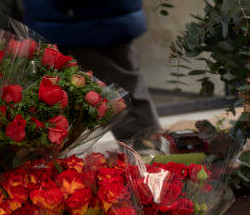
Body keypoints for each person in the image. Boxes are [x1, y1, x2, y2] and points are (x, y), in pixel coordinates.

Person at [19, 0, 162, 141]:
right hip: (58, 17)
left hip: (96, 17)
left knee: (122, 93)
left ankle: (148, 153)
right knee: (44, 96)